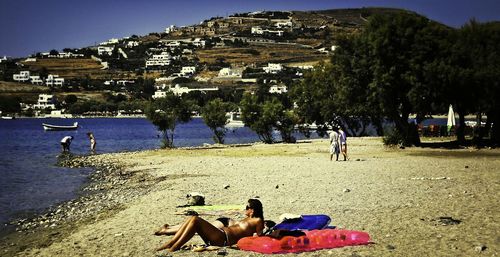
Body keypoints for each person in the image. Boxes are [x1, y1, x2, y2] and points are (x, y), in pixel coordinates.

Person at [156, 198, 265, 252]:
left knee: (195, 220)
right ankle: (171, 243)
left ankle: (174, 246)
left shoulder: (258, 220)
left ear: (253, 210)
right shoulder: (249, 218)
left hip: (223, 239)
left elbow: (260, 236)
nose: (245, 209)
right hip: (220, 235)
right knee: (191, 219)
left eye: (247, 207)